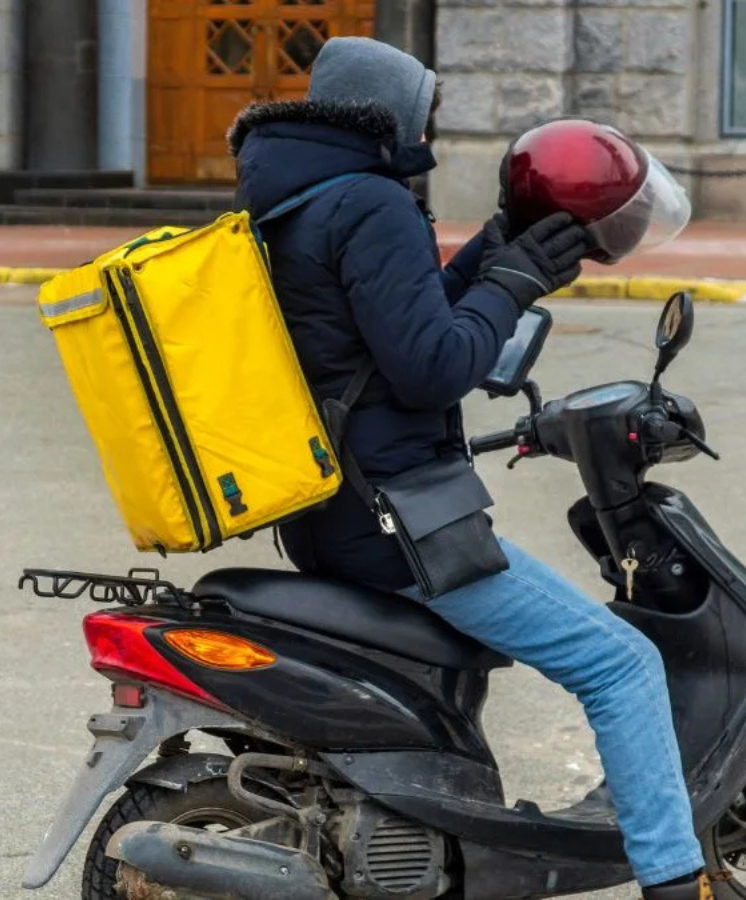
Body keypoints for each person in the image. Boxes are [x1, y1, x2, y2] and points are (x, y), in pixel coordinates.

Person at [228, 36, 713, 900]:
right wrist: (515, 284)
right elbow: (435, 365)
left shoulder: (304, 196)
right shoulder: (370, 202)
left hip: (336, 512)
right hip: (404, 523)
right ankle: (677, 884)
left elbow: (389, 333)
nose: (434, 131)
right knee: (622, 665)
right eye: (427, 112)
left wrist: (495, 249)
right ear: (388, 116)